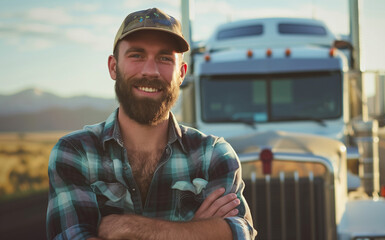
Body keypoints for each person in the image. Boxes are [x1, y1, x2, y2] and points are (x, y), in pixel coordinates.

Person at [46, 8, 256, 240]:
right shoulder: (75, 153)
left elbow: (239, 232)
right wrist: (193, 230)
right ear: (113, 67)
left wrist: (129, 227)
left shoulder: (213, 155)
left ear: (182, 73)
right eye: (136, 55)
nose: (151, 71)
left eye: (165, 58)